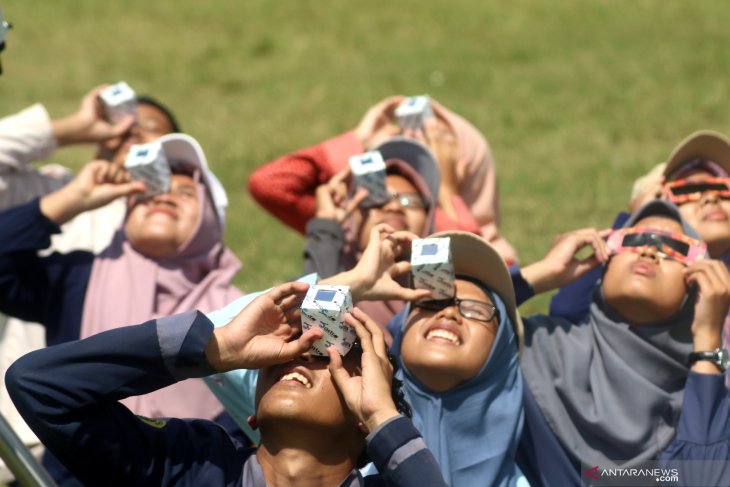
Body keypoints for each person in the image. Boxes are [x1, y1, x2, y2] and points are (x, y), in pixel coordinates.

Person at [6, 280, 447, 487]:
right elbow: (40, 388)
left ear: (363, 418)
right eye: (293, 344)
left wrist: (383, 416)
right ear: (252, 413)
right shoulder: (192, 467)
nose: (303, 354)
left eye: (334, 356)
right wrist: (212, 348)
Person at [0, 133, 243, 483]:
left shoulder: (240, 310)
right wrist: (72, 199)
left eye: (186, 192)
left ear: (210, 219)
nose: (163, 196)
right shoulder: (80, 277)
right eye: (149, 190)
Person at [514, 199, 730, 483]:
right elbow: (440, 313)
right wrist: (539, 274)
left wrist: (708, 343)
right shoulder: (535, 347)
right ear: (604, 264)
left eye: (676, 248)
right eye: (633, 239)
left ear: (696, 287)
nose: (649, 251)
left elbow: (699, 479)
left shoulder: (703, 395)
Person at [248, 95, 518, 264]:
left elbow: (464, 263)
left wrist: (446, 196)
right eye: (381, 194)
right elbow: (269, 184)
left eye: (412, 197)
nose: (391, 206)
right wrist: (358, 143)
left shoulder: (498, 260)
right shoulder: (349, 232)